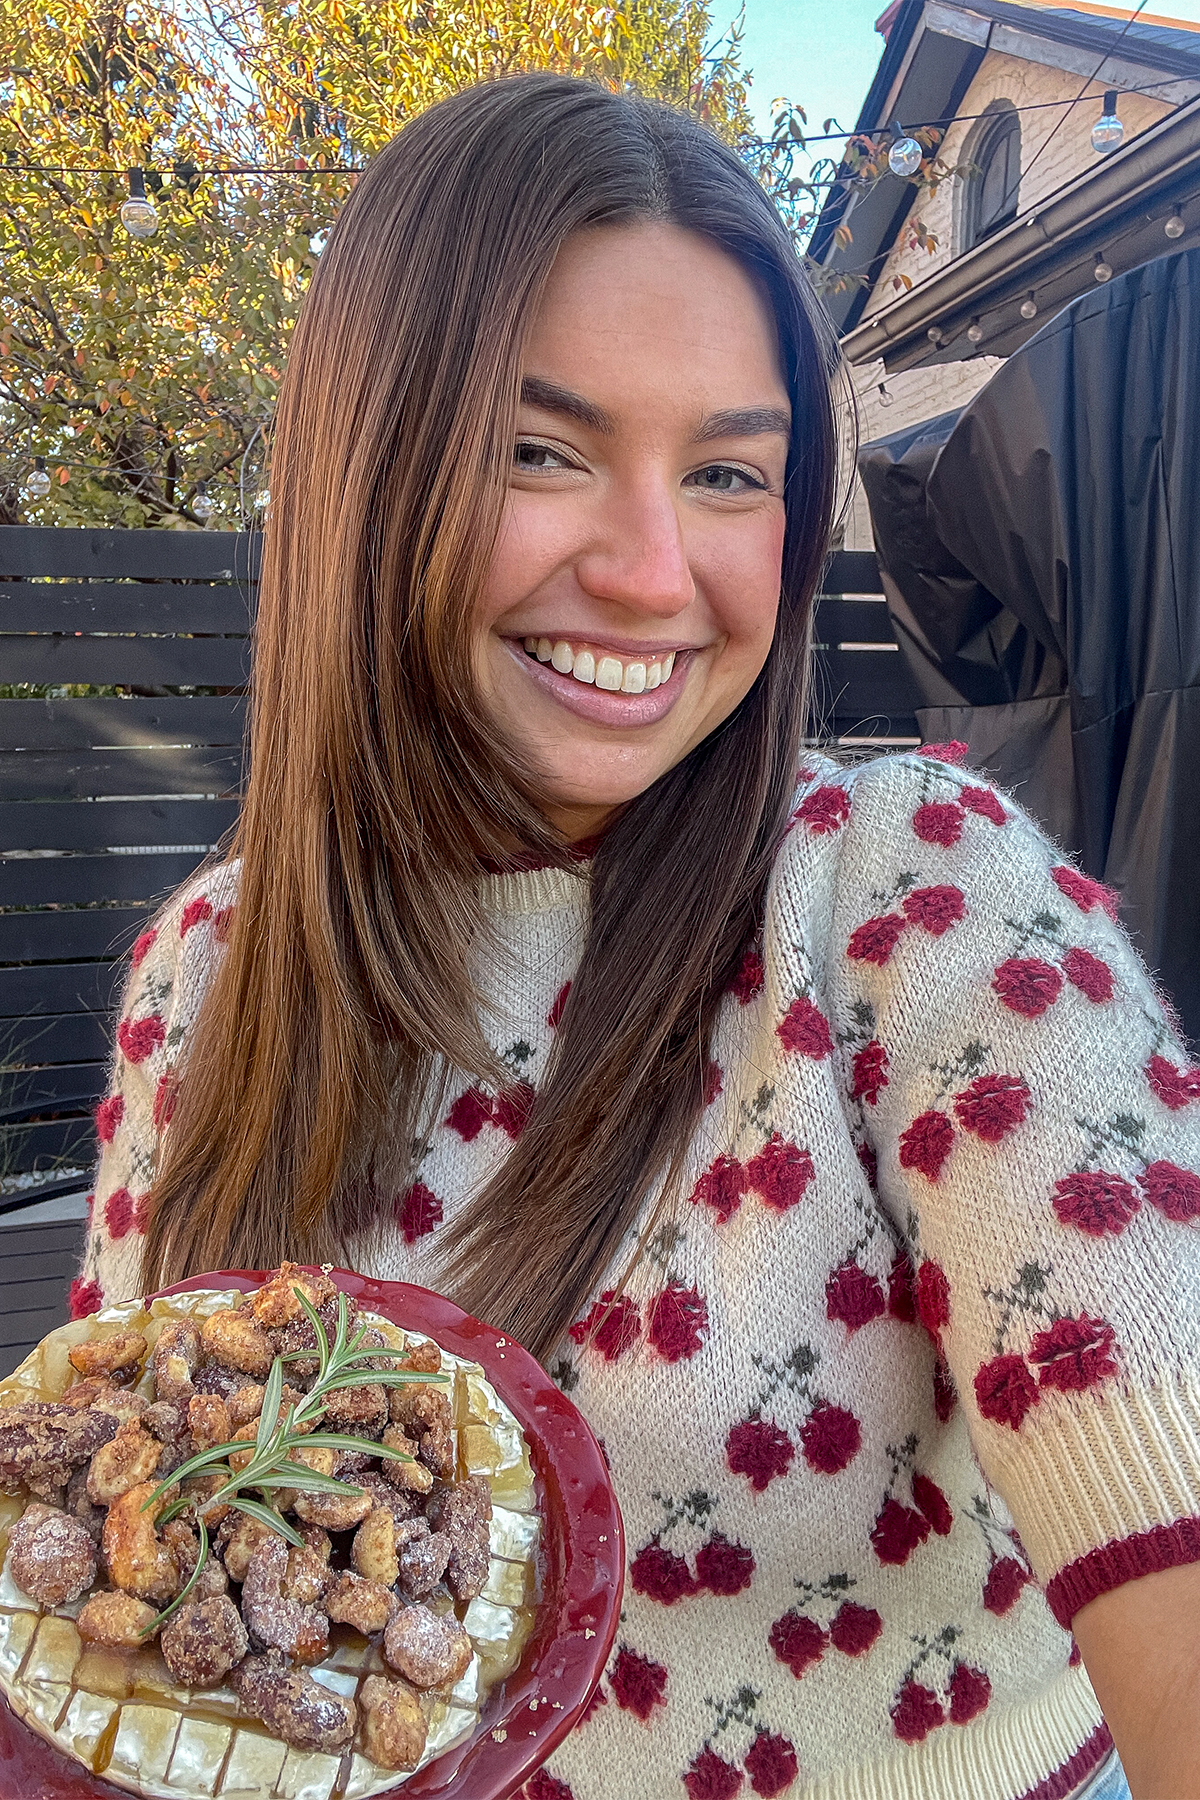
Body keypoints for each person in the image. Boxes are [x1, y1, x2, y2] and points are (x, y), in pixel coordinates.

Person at [78, 73, 1200, 1800]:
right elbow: (112, 1545)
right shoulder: (207, 977)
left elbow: (1160, 1406)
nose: (656, 569)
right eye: (543, 450)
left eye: (734, 474)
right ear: (367, 474)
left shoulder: (911, 898)